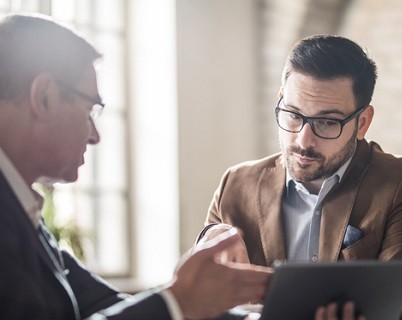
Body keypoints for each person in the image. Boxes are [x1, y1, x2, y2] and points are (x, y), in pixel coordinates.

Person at [0, 13, 277, 320]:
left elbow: (105, 305)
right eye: (90, 110)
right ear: (45, 97)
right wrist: (178, 302)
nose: (95, 135)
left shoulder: (21, 207)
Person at [197, 34, 402, 319]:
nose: (303, 139)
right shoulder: (236, 184)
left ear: (362, 123)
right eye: (293, 114)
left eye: (327, 122)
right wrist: (209, 240)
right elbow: (198, 302)